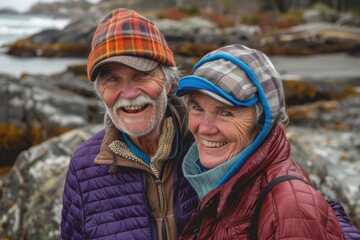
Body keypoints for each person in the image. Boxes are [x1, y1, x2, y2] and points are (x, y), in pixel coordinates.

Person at [175, 44, 348, 239]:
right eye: (197, 108)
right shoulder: (211, 181)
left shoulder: (290, 208)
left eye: (225, 113)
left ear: (261, 122)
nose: (205, 128)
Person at [60, 8, 198, 240]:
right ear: (100, 92)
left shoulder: (207, 142)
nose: (129, 93)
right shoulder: (84, 168)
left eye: (141, 75)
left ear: (166, 82)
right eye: (112, 79)